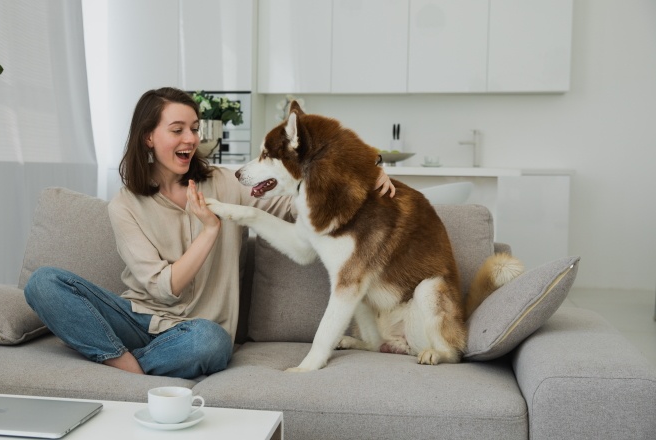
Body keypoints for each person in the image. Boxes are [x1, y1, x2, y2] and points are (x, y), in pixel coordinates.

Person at [24, 87, 395, 380]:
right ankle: (130, 365)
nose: (191, 138)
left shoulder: (223, 183)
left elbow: (298, 200)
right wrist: (210, 229)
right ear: (148, 138)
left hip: (198, 333)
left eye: (194, 128)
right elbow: (162, 288)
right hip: (135, 319)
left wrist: (367, 169)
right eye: (177, 130)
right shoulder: (124, 205)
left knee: (210, 343)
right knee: (43, 283)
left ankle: (121, 366)